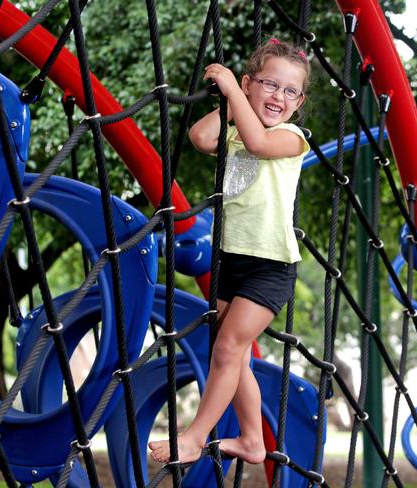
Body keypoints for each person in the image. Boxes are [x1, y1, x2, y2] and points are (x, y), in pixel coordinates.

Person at [149, 39, 311, 465]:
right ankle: (253, 441)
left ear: (300, 102)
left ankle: (194, 437)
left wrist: (236, 91)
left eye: (290, 90)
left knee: (227, 351)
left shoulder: (291, 137)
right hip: (231, 260)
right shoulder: (236, 130)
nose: (278, 96)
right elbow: (200, 136)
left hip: (270, 265)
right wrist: (229, 98)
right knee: (233, 356)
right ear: (249, 83)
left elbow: (258, 143)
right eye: (269, 84)